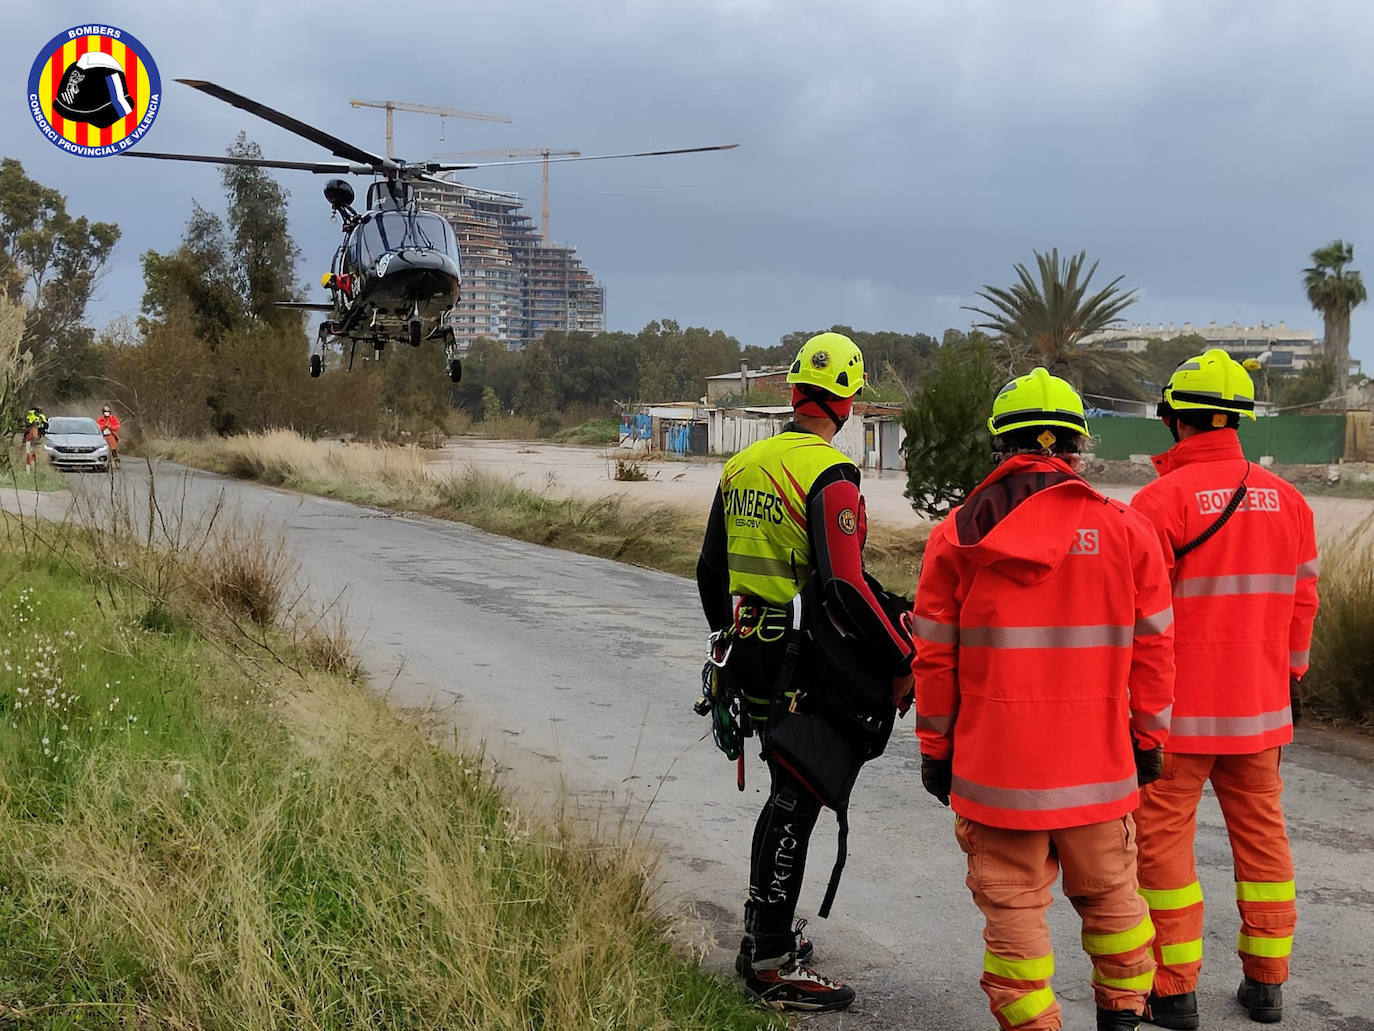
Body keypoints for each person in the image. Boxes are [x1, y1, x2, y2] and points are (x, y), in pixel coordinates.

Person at [911, 367, 1176, 1031]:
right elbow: (1155, 654)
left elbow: (934, 659)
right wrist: (1149, 740)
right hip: (1100, 771)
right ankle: (1122, 1017)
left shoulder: (956, 538)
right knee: (1115, 902)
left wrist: (935, 749)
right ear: (1076, 449)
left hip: (996, 779)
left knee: (1015, 920)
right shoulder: (1126, 530)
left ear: (1000, 449)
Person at [695, 331, 914, 1012]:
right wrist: (904, 660)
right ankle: (769, 958)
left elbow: (709, 570)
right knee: (801, 792)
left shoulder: (745, 464)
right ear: (847, 401)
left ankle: (766, 930)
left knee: (788, 786)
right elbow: (843, 587)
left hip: (750, 653)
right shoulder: (828, 474)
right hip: (799, 660)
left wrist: (726, 636)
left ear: (793, 392)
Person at [1130, 349, 1319, 1029]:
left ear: (1174, 420)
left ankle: (1173, 991)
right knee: (1265, 845)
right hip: (1260, 713)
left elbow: (1136, 616)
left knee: (1164, 850)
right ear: (1237, 418)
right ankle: (1267, 983)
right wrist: (1292, 677)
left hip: (1177, 717)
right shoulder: (1292, 503)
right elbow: (1304, 603)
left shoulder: (1157, 502)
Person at [23, 405, 48, 473]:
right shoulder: (34, 415)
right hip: (33, 434)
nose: (41, 412)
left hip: (34, 433)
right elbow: (46, 426)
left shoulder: (37, 416)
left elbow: (46, 425)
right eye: (40, 410)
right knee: (31, 448)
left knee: (30, 448)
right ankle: (30, 462)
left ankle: (32, 461)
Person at [97, 404, 121, 468]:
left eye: (107, 412)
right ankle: (102, 462)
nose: (106, 413)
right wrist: (104, 426)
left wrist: (110, 427)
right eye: (105, 412)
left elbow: (117, 426)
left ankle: (117, 462)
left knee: (113, 449)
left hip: (111, 435)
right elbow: (98, 427)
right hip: (103, 436)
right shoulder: (100, 419)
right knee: (102, 449)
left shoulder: (113, 418)